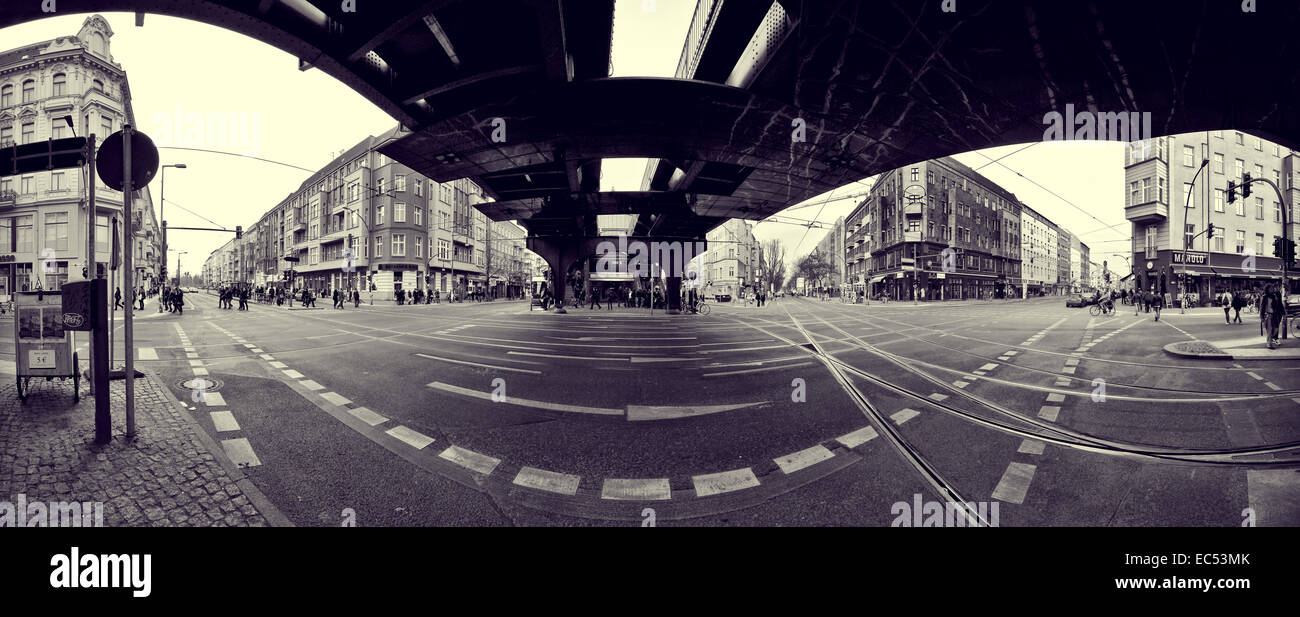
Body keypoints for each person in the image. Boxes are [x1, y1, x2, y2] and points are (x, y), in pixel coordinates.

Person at [1261, 284, 1286, 349]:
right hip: (1268, 315)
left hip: (1275, 315)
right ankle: (1269, 344)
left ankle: (1271, 338)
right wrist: (1262, 317)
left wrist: (1283, 313)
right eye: (1271, 288)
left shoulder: (1275, 296)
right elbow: (1262, 307)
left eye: (1272, 288)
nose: (1272, 289)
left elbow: (1279, 305)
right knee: (1269, 330)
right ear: (1267, 289)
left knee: (1276, 329)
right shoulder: (1265, 297)